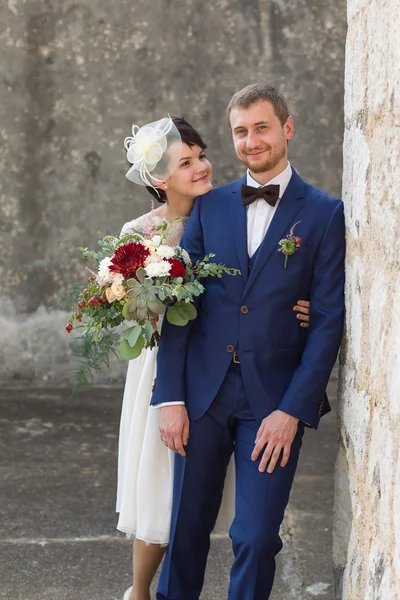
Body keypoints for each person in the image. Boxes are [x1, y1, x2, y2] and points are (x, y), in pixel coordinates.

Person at [151, 84, 345, 600]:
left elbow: (327, 319)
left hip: (273, 401)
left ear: (287, 128)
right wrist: (171, 396)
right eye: (241, 131)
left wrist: (293, 410)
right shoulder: (208, 208)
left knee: (256, 537)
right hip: (202, 396)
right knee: (186, 529)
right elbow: (180, 306)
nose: (251, 140)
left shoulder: (325, 213)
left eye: (261, 127)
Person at [116, 115, 311, 600]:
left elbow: (259, 285)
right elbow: (129, 306)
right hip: (166, 366)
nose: (201, 166)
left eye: (201, 154)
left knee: (215, 510)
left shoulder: (225, 205)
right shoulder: (141, 233)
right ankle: (140, 591)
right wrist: (155, 299)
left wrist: (299, 308)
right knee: (159, 487)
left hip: (229, 365)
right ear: (161, 178)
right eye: (187, 162)